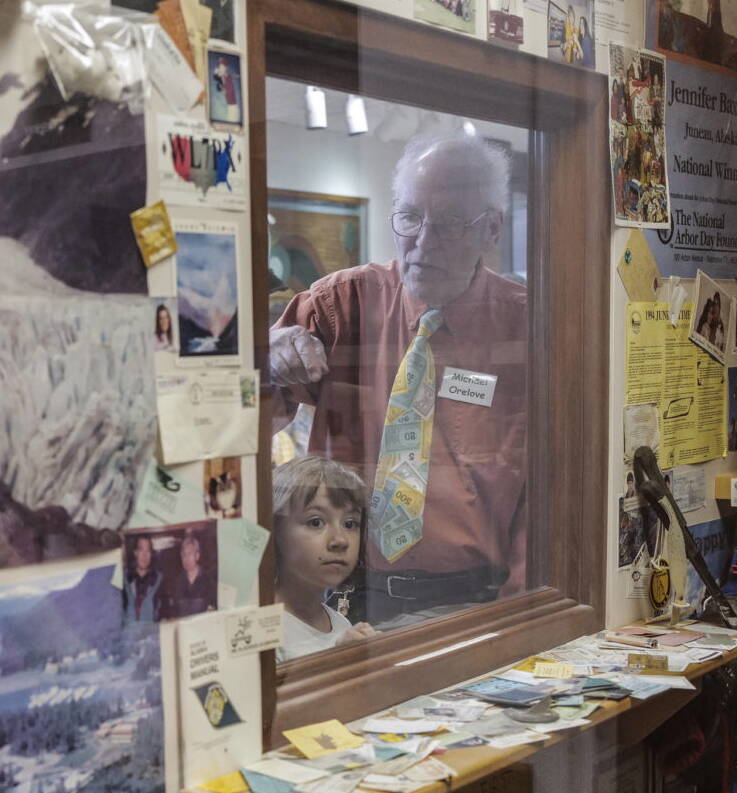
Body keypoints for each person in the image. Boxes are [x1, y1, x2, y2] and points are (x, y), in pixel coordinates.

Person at [269, 135, 530, 626]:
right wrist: (266, 360)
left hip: (471, 605)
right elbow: (240, 417)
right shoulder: (343, 304)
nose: (424, 242)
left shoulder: (527, 328)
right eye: (410, 217)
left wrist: (517, 616)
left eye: (451, 223)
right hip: (338, 603)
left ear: (491, 229)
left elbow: (549, 493)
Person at [274, 455, 378, 661]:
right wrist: (337, 660)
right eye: (315, 522)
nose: (340, 540)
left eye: (350, 524)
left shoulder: (340, 624)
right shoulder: (264, 629)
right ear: (276, 532)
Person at [160, 527, 217, 618]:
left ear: (197, 556)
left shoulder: (209, 581)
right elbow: (172, 612)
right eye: (183, 555)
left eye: (190, 554)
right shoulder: (175, 583)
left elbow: (215, 610)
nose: (186, 558)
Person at [122, 534, 162, 625]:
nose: (145, 555)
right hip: (129, 634)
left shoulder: (159, 580)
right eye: (141, 550)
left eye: (148, 551)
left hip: (150, 635)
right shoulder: (124, 579)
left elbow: (164, 612)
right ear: (135, 552)